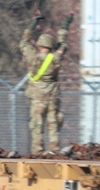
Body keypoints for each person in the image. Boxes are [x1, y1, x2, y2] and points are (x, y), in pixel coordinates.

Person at [20, 11, 72, 154]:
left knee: (37, 125)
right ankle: (54, 149)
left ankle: (37, 150)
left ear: (39, 45)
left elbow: (23, 42)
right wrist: (66, 23)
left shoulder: (32, 56)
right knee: (53, 123)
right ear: (51, 46)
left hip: (37, 98)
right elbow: (63, 44)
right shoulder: (56, 58)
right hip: (52, 97)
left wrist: (34, 23)